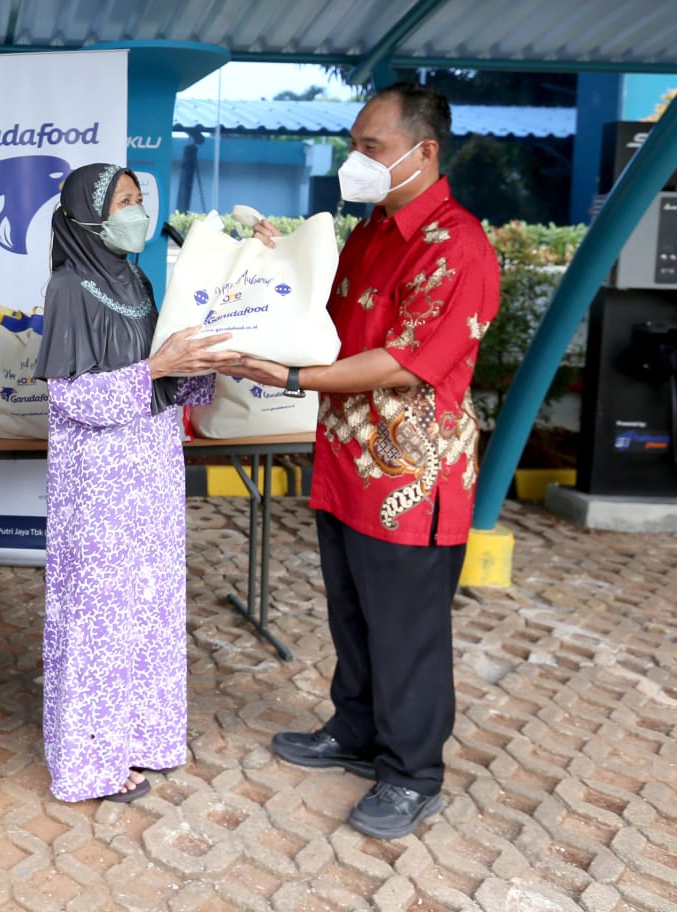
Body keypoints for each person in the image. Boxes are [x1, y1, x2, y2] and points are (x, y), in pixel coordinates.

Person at [229, 83, 499, 839]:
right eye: (354, 143)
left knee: (407, 629)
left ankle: (413, 774)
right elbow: (327, 324)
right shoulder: (374, 231)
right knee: (354, 614)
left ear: (425, 152)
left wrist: (286, 379)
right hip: (346, 462)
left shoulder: (457, 245)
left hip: (410, 480)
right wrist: (272, 269)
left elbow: (404, 362)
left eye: (372, 147)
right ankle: (355, 734)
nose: (358, 160)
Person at [33, 163, 244, 803]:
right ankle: (90, 763)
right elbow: (73, 397)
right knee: (99, 616)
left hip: (151, 465)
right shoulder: (69, 287)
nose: (137, 212)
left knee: (147, 607)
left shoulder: (140, 279)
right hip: (99, 478)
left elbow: (170, 382)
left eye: (137, 199)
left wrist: (204, 359)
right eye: (122, 202)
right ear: (89, 216)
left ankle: (143, 737)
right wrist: (158, 364)